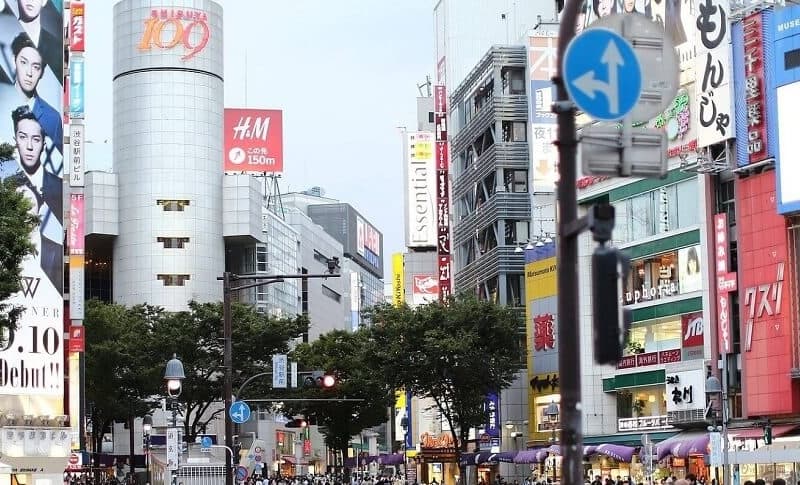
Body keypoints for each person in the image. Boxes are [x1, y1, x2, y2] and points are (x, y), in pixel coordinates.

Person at [10, 104, 62, 290]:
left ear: (44, 144)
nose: (30, 146)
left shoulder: (60, 188)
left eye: (36, 139)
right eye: (23, 138)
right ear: (15, 140)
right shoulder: (6, 187)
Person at [11, 31, 62, 153]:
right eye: (23, 62)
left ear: (42, 72)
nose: (29, 73)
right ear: (14, 61)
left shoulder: (53, 118)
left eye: (36, 67)